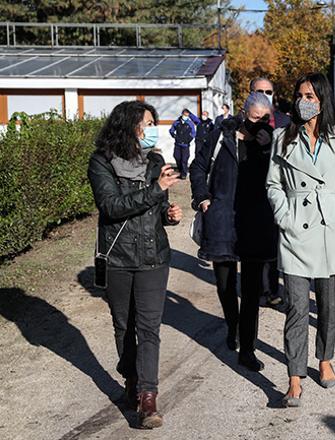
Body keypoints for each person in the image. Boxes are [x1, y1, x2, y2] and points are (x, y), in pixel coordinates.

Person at [266, 73, 335, 407]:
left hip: (331, 230)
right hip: (296, 232)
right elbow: (273, 184)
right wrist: (284, 217)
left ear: (322, 99)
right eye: (299, 94)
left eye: (310, 95)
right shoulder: (282, 137)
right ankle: (294, 378)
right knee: (295, 308)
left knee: (329, 306)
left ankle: (324, 359)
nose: (303, 101)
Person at [87, 100, 183, 429]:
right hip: (118, 256)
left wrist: (169, 215)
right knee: (123, 326)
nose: (152, 129)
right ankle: (130, 377)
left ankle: (148, 397)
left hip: (154, 256)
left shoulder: (156, 161)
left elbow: (158, 206)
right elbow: (111, 206)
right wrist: (156, 191)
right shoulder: (101, 162)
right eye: (146, 123)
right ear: (128, 127)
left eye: (154, 123)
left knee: (149, 329)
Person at [189, 93, 277, 372]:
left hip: (256, 223)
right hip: (222, 219)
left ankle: (248, 349)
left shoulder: (273, 141)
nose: (259, 124)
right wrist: (202, 196)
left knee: (252, 291)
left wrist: (267, 150)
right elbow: (198, 167)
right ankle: (233, 326)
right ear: (242, 112)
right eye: (254, 118)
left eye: (265, 119)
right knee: (226, 284)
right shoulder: (220, 135)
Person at [249, 76, 291, 307]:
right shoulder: (242, 122)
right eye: (259, 91)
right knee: (255, 242)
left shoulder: (285, 121)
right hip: (252, 191)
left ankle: (273, 288)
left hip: (279, 188)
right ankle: (257, 288)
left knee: (276, 243)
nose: (265, 95)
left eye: (268, 91)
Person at [169, 108, 199, 180]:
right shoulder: (176, 122)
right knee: (177, 157)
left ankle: (183, 174)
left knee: (184, 159)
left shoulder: (190, 123)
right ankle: (180, 170)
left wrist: (189, 139)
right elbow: (171, 130)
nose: (186, 116)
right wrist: (174, 135)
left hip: (185, 145)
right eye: (185, 114)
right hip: (177, 144)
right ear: (182, 114)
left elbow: (193, 133)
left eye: (187, 115)